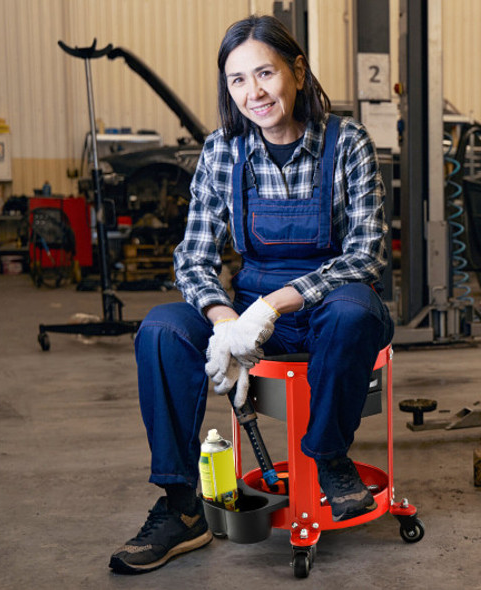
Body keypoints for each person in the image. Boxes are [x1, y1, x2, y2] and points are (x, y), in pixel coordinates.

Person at [109, 14, 394, 575]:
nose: (254, 92)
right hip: (247, 308)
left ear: (298, 71)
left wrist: (271, 306)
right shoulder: (223, 150)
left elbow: (366, 255)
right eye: (238, 80)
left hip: (329, 307)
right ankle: (180, 505)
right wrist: (225, 321)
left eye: (265, 73)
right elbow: (193, 257)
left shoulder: (347, 141)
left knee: (354, 313)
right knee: (162, 330)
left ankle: (330, 458)